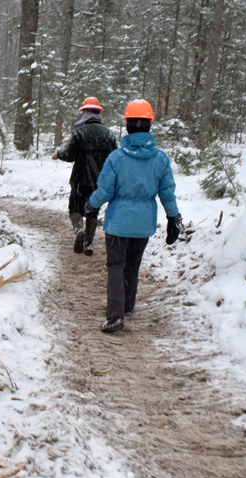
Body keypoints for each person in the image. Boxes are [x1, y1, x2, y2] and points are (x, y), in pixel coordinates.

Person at [87, 99, 182, 333]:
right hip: (143, 224)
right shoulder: (160, 159)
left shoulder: (117, 158)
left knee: (116, 266)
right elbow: (167, 192)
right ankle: (128, 306)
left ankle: (115, 316)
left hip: (118, 223)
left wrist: (91, 205)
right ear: (149, 125)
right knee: (132, 265)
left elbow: (105, 190)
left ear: (127, 125)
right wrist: (173, 218)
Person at [52, 96, 118, 255]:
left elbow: (69, 155)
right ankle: (89, 243)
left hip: (80, 180)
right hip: (99, 182)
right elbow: (116, 158)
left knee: (75, 207)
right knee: (93, 211)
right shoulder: (109, 134)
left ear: (84, 113)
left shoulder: (79, 132)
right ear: (98, 113)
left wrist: (58, 154)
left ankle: (79, 229)